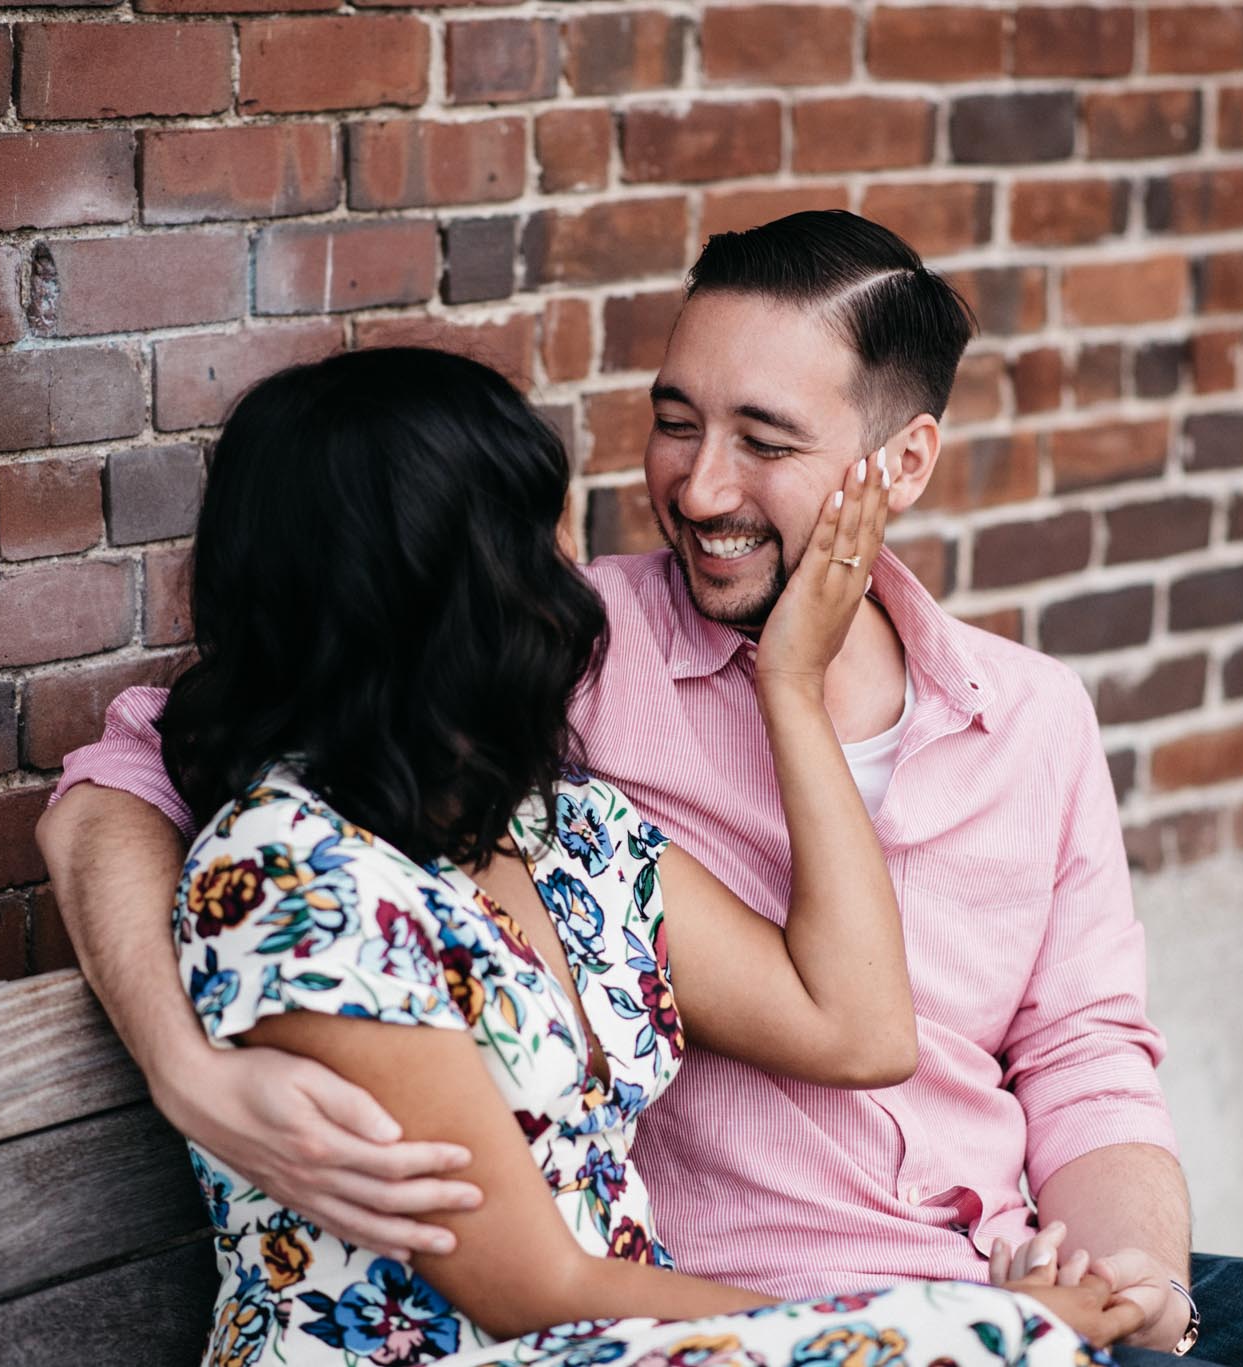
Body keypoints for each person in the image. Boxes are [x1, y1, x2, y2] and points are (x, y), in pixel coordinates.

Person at [40, 212, 1243, 1367]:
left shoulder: (1031, 716)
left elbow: (1082, 1047)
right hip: (766, 1308)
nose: (697, 487)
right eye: (671, 421)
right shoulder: (541, 672)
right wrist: (184, 1062)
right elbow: (137, 773)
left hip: (1009, 1271)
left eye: (764, 440)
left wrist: (1126, 1270)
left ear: (899, 464)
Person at [146, 345, 1135, 1364]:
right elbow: (533, 1285)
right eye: (532, 534)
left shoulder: (562, 828)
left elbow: (857, 1026)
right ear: (431, 581)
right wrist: (955, 1326)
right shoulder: (292, 871)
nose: (568, 570)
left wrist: (787, 685)